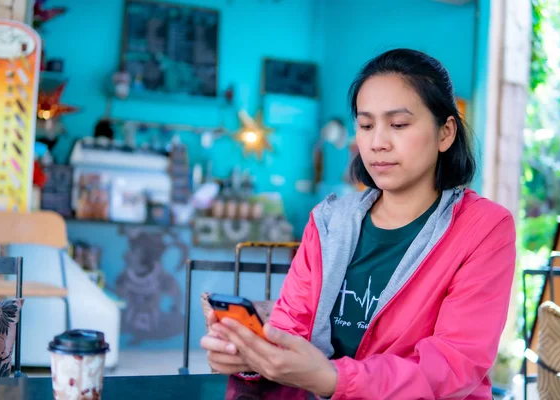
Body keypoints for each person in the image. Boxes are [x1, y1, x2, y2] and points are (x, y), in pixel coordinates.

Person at [201, 48, 516, 400]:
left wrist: (334, 378)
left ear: (445, 133)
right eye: (366, 125)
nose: (377, 142)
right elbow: (292, 325)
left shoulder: (484, 228)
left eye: (398, 125)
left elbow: (453, 366)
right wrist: (251, 356)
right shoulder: (329, 220)